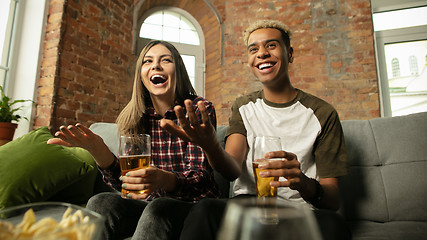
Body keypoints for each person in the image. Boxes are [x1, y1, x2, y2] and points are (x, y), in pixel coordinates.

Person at [161, 19, 351, 240]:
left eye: (271, 45)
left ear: (289, 54)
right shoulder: (243, 107)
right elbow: (232, 170)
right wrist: (210, 144)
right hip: (247, 207)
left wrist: (302, 181)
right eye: (254, 49)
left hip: (299, 212)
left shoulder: (322, 113)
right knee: (204, 210)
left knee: (334, 225)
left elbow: (333, 199)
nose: (261, 53)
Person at [47, 40, 220, 239]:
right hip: (147, 205)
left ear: (178, 70)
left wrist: (163, 179)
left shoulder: (198, 109)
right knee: (100, 202)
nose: (156, 65)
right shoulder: (134, 115)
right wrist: (98, 150)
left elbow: (202, 179)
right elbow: (127, 185)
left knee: (158, 207)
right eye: (148, 61)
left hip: (193, 207)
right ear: (141, 75)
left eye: (166, 60)